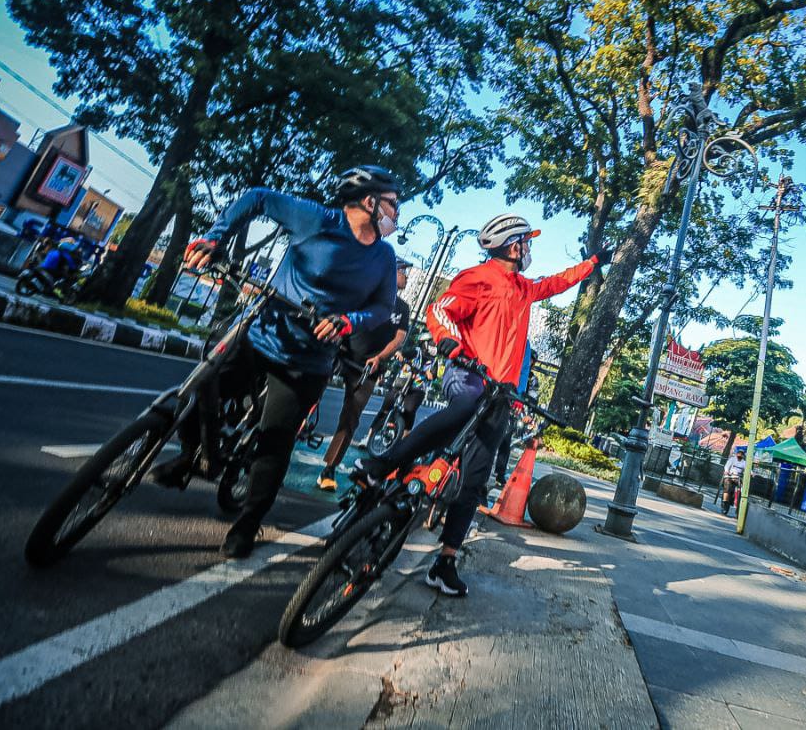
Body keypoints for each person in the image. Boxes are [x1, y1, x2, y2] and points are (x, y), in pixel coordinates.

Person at [151, 166, 401, 558]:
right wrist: (215, 238)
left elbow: (383, 308)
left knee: (275, 442)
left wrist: (348, 322)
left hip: (306, 362)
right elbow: (257, 196)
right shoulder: (318, 220)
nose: (396, 213)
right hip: (260, 333)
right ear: (370, 203)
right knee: (201, 388)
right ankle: (191, 458)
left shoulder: (384, 258)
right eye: (392, 204)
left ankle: (247, 524)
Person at [358, 213, 607, 597]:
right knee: (463, 406)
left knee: (475, 480)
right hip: (469, 375)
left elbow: (556, 283)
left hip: (502, 394)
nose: (529, 250)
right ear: (513, 246)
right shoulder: (477, 278)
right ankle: (379, 465)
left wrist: (592, 264)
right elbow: (441, 310)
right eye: (526, 242)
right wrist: (448, 342)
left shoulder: (524, 288)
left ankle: (445, 561)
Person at [316, 257, 413, 491]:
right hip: (340, 353)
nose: (406, 277)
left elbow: (399, 338)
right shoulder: (367, 293)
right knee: (306, 395)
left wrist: (380, 358)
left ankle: (329, 470)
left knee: (351, 417)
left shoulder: (403, 308)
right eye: (402, 271)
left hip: (368, 367)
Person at [493, 345, 539, 486]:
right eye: (527, 358)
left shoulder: (531, 379)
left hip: (516, 412)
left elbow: (532, 398)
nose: (528, 361)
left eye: (531, 360)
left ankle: (500, 474)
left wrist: (528, 413)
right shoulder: (510, 368)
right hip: (498, 404)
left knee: (505, 442)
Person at [721, 446, 747, 516]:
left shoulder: (744, 462)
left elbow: (748, 470)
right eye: (739, 453)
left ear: (743, 455)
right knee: (727, 487)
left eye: (741, 454)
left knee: (741, 490)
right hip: (729, 476)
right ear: (736, 454)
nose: (740, 455)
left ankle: (738, 507)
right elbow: (726, 467)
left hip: (738, 478)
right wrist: (727, 471)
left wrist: (752, 473)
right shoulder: (732, 459)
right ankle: (725, 503)